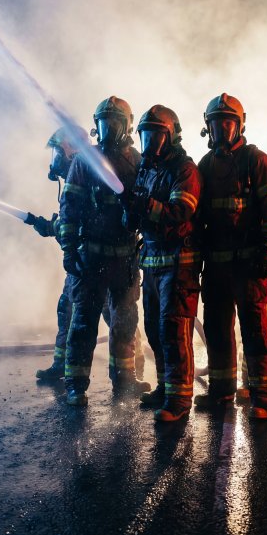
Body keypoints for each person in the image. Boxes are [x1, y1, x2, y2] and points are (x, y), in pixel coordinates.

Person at [27, 128, 145, 382]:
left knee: (117, 315)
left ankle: (132, 365)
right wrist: (56, 227)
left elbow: (87, 220)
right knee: (68, 309)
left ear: (72, 147)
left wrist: (51, 227)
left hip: (97, 261)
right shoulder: (79, 168)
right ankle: (62, 364)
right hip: (85, 259)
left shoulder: (93, 167)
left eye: (59, 150)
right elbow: (71, 214)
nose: (56, 157)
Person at [196, 93, 267, 420]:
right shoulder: (205, 165)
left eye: (228, 123)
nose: (223, 130)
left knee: (256, 332)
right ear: (208, 127)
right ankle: (221, 392)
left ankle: (263, 397)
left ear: (240, 124)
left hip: (250, 265)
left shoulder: (256, 161)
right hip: (217, 266)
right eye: (217, 124)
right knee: (218, 331)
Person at [59, 96, 150, 406]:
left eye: (115, 122)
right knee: (83, 322)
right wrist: (69, 250)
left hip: (125, 258)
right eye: (104, 122)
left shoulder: (138, 162)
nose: (109, 128)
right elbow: (69, 209)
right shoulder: (85, 162)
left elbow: (149, 208)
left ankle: (124, 380)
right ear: (96, 126)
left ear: (127, 125)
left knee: (125, 324)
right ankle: (76, 385)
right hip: (91, 258)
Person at [127, 105, 202, 422]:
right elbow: (136, 214)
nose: (151, 142)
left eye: (158, 135)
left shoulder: (185, 170)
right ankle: (164, 388)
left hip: (179, 263)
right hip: (153, 263)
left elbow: (179, 212)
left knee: (174, 332)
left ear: (172, 136)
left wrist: (143, 204)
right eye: (146, 135)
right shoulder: (145, 170)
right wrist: (128, 210)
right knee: (156, 332)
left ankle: (179, 399)